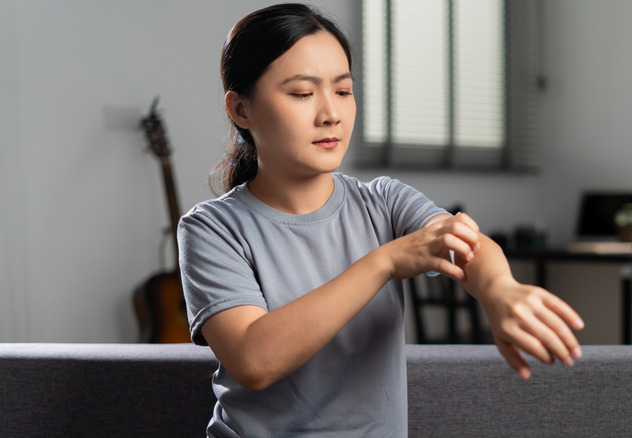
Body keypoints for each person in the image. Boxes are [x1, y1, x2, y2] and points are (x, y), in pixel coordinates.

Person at [178, 3, 585, 436]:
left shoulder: (384, 202)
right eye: (302, 93)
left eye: (343, 90)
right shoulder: (211, 229)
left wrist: (500, 290)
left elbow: (464, 242)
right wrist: (385, 262)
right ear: (241, 110)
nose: (330, 113)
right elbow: (254, 361)